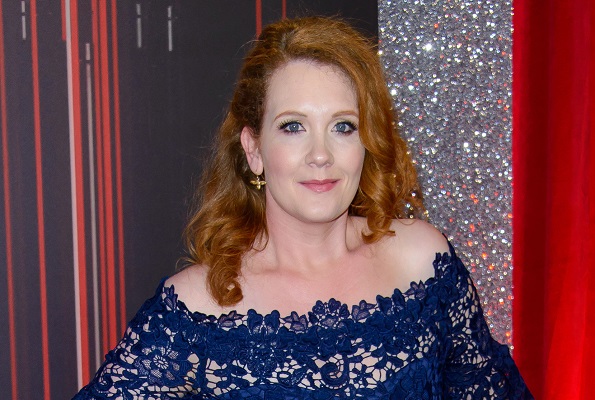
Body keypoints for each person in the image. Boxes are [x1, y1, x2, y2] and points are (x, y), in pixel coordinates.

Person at [74, 16, 532, 399]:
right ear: (254, 149)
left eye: (343, 127)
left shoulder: (422, 261)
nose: (320, 155)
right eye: (293, 126)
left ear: (366, 142)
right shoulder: (198, 307)